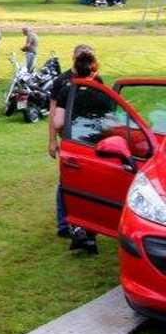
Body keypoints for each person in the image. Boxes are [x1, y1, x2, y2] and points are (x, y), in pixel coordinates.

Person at [49, 45, 101, 253]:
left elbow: (58, 121)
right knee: (91, 186)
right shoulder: (99, 89)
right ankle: (86, 228)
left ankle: (76, 227)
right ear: (94, 69)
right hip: (95, 145)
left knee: (70, 184)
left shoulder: (66, 89)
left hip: (74, 145)